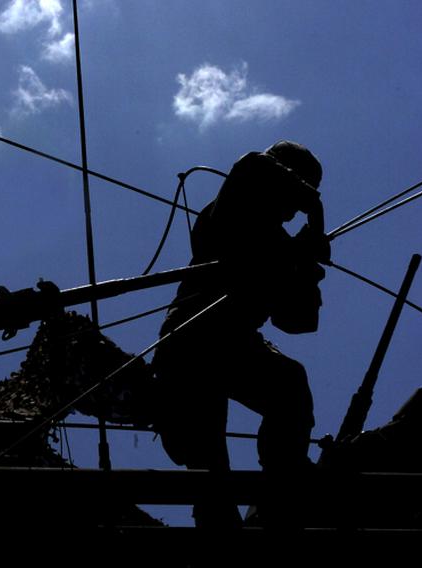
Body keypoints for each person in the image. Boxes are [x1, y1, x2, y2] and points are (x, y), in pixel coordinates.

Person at [151, 141, 328, 527]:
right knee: (211, 470)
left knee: (290, 383)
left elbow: (296, 321)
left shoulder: (282, 246)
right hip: (194, 338)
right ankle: (223, 523)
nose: (296, 206)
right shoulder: (232, 206)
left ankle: (283, 483)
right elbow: (252, 165)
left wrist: (307, 270)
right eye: (298, 189)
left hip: (234, 343)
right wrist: (314, 212)